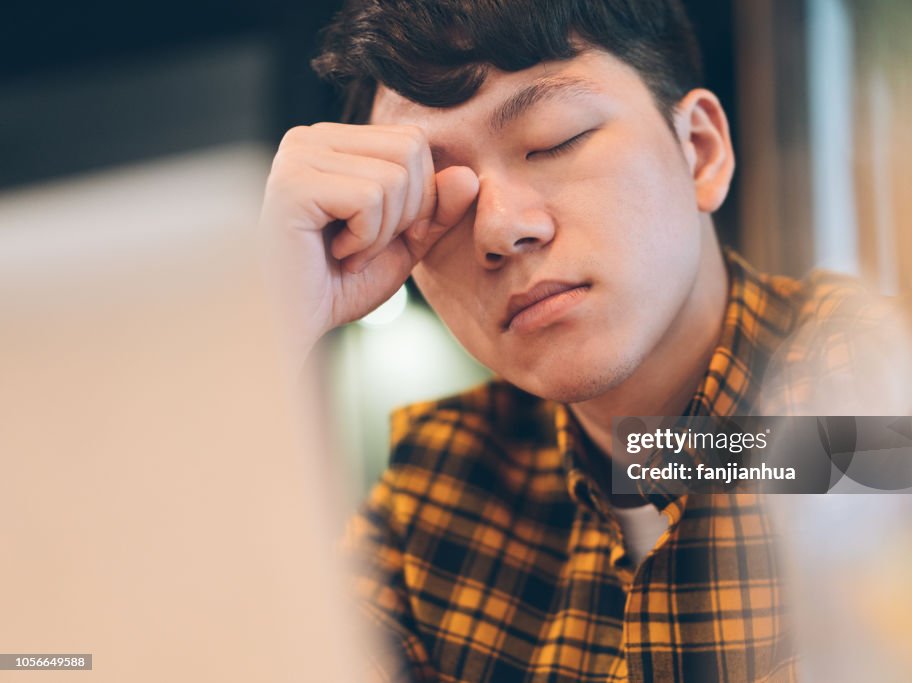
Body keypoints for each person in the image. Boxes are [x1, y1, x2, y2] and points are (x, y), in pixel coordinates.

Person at [259, 0, 880, 680]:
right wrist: (271, 325)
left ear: (700, 150)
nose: (500, 229)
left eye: (554, 142)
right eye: (442, 197)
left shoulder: (888, 388)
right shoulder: (436, 499)